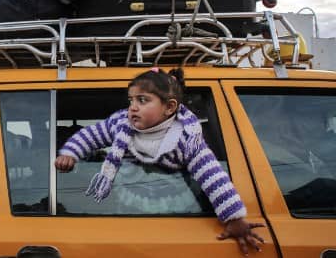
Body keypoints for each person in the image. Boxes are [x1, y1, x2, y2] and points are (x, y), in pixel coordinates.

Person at [55, 67, 265, 255]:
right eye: (131, 100)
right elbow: (91, 135)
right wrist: (70, 153)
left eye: (143, 100)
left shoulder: (186, 138)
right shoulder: (120, 124)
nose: (133, 108)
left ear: (170, 107)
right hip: (126, 208)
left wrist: (234, 218)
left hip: (177, 209)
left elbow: (212, 176)